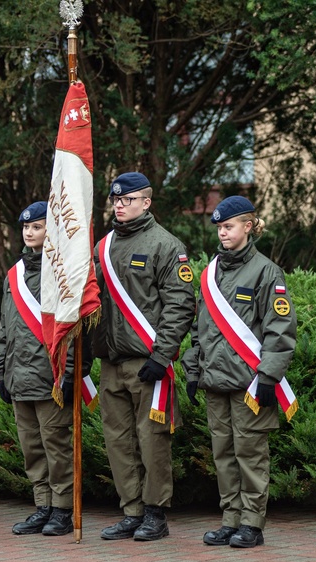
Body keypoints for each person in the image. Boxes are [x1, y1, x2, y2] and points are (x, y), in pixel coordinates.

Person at [180, 195, 297, 548]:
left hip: (249, 383)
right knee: (224, 455)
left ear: (248, 226)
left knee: (250, 455)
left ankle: (252, 523)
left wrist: (268, 377)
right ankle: (230, 519)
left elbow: (280, 330)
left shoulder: (266, 271)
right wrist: (191, 369)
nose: (222, 233)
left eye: (228, 226)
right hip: (215, 381)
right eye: (219, 228)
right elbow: (201, 329)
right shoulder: (210, 273)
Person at [92, 172, 197, 541]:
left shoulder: (166, 245)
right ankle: (132, 511)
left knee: (152, 441)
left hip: (147, 362)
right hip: (111, 362)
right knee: (118, 442)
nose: (119, 205)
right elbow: (91, 303)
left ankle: (155, 513)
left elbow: (180, 304)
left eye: (128, 199)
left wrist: (162, 354)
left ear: (147, 202)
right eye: (116, 200)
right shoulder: (102, 247)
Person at [0, 201, 86, 537]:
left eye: (37, 227)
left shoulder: (63, 272)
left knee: (56, 447)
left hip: (50, 378)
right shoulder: (13, 275)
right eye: (26, 228)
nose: (30, 233)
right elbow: (6, 327)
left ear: (51, 230)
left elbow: (72, 329)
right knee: (32, 449)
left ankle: (62, 509)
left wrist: (70, 370)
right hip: (19, 377)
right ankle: (42, 505)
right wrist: (1, 369)